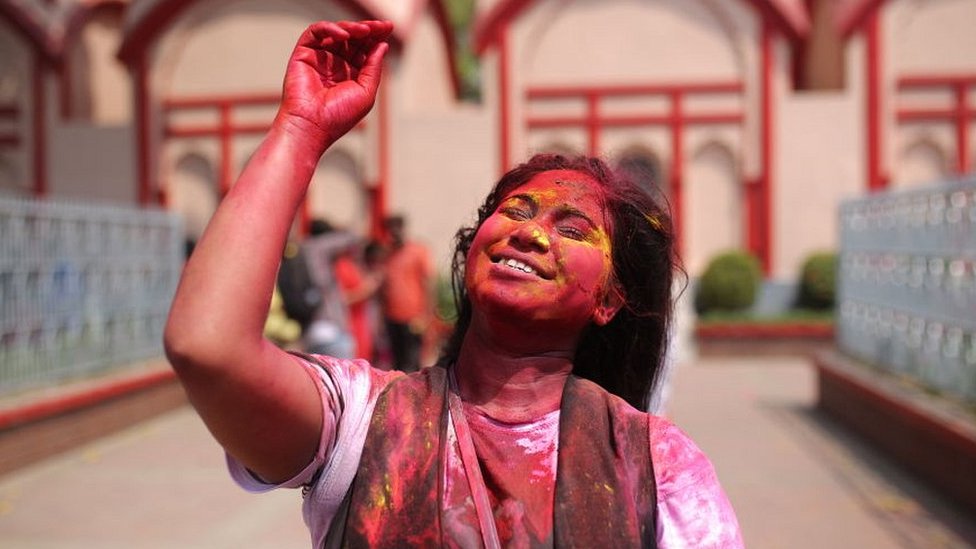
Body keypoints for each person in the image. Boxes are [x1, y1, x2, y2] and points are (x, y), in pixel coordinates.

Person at [163, 20, 744, 548]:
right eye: (517, 211)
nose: (531, 234)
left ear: (609, 300)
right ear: (473, 247)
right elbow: (207, 347)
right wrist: (299, 131)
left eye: (572, 229)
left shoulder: (654, 463)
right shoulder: (364, 422)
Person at [380, 213, 432, 372]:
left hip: (413, 317)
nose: (394, 233)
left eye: (397, 229)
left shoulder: (417, 251)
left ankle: (414, 396)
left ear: (403, 229)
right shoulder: (387, 255)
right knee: (397, 362)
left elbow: (429, 284)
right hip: (391, 317)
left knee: (412, 362)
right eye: (390, 230)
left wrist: (426, 315)